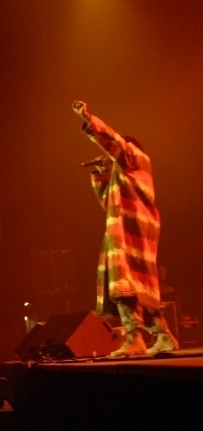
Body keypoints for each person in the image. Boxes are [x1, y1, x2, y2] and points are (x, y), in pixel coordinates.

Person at [72, 101, 179, 356]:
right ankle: (163, 336)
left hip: (129, 231)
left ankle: (134, 339)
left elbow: (115, 142)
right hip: (131, 229)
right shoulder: (128, 176)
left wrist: (89, 120)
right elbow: (109, 203)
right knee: (139, 287)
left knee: (124, 283)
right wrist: (100, 175)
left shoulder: (134, 157)